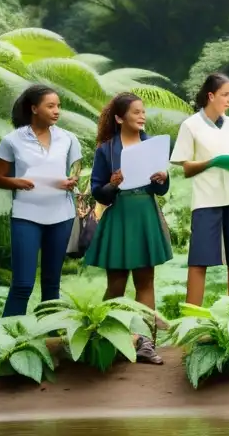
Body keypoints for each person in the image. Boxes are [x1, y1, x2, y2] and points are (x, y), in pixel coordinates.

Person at [84, 92, 172, 364]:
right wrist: (113, 183)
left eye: (143, 111)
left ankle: (146, 344)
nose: (142, 116)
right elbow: (99, 193)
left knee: (145, 281)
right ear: (120, 118)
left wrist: (162, 178)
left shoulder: (152, 145)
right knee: (117, 283)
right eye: (136, 112)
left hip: (145, 212)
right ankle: (108, 338)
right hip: (119, 214)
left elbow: (162, 189)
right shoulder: (106, 149)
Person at [170, 73, 229, 306]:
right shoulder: (190, 126)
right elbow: (187, 168)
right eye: (225, 94)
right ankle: (191, 321)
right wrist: (212, 162)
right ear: (211, 96)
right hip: (207, 200)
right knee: (199, 261)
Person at [0, 85, 81, 317]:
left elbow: (75, 172)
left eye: (58, 106)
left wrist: (71, 181)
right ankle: (10, 339)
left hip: (61, 214)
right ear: (34, 108)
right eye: (50, 106)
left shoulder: (68, 139)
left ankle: (50, 340)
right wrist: (18, 182)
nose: (57, 111)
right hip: (26, 216)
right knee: (22, 284)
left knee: (52, 284)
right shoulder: (12, 140)